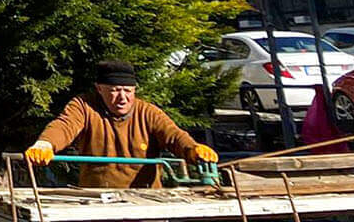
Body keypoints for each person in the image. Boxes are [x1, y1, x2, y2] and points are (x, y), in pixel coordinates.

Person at [24, 60, 218, 189]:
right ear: (99, 89)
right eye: (115, 90)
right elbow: (64, 126)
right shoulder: (84, 106)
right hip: (97, 202)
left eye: (128, 90)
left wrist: (193, 149)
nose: (123, 98)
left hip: (146, 201)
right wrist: (45, 144)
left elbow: (173, 135)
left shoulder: (147, 112)